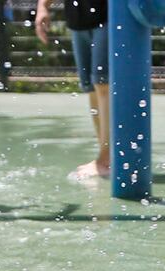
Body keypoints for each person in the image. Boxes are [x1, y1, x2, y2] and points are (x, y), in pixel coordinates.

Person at [33, 0, 110, 180]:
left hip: (109, 18)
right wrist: (43, 6)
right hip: (78, 21)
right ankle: (105, 154)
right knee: (91, 88)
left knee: (103, 84)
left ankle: (106, 159)